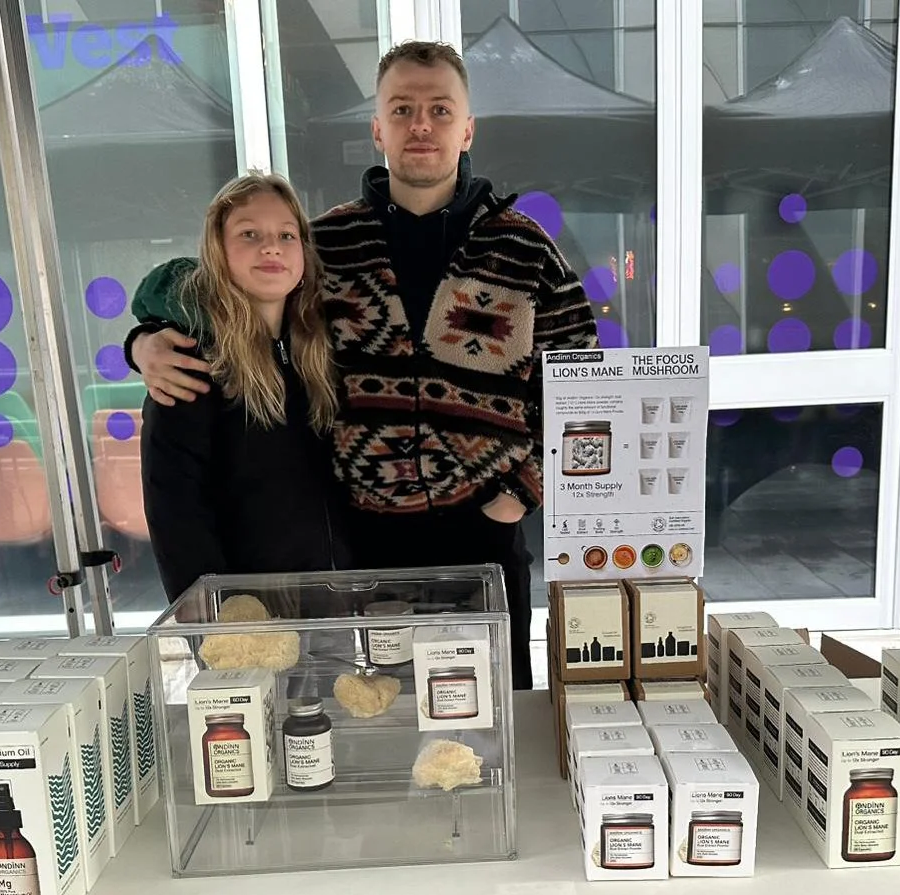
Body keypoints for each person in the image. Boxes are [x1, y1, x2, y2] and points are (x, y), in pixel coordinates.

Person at [125, 42, 598, 687]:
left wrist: (519, 497)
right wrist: (146, 339)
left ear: (468, 129)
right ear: (378, 128)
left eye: (439, 109)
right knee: (376, 718)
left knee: (494, 724)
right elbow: (222, 286)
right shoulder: (327, 245)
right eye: (402, 109)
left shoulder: (525, 250)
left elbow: (584, 392)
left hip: (485, 534)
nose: (421, 125)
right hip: (361, 545)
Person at [136, 172, 350, 603]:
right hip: (244, 606)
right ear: (218, 251)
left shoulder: (323, 351)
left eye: (286, 235)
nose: (271, 247)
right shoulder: (191, 363)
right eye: (249, 234)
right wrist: (206, 604)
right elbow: (174, 503)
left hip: (338, 593)